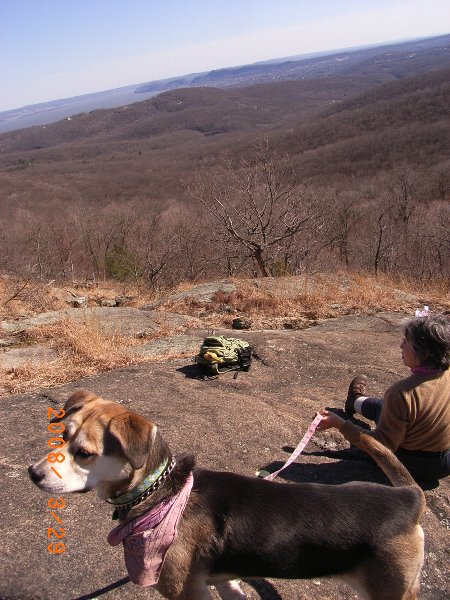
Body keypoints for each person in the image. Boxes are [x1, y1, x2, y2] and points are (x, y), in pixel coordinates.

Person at [317, 313, 450, 489]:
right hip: (444, 464)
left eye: (406, 342)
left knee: (388, 408)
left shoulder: (402, 392)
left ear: (424, 352)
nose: (401, 345)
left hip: (408, 465)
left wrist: (340, 424)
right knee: (386, 408)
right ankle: (355, 401)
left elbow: (382, 446)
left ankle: (356, 401)